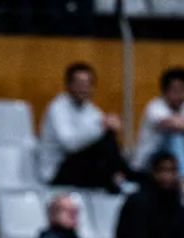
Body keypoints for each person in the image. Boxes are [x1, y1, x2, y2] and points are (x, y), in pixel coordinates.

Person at [37, 60, 127, 189]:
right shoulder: (57, 107)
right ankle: (120, 176)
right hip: (56, 170)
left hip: (81, 167)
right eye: (79, 84)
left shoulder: (91, 110)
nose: (84, 89)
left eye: (88, 84)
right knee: (104, 138)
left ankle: (119, 175)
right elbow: (70, 144)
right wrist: (103, 126)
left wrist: (108, 125)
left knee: (108, 137)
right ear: (68, 85)